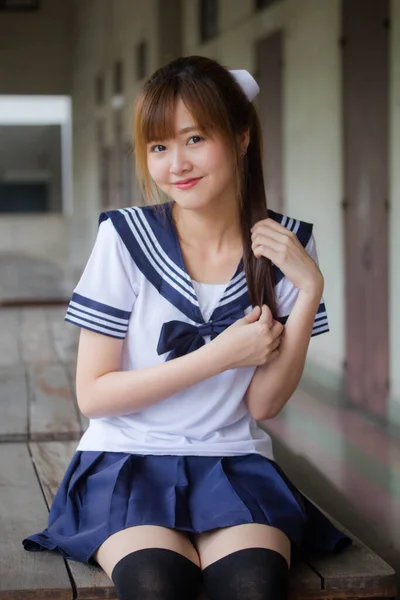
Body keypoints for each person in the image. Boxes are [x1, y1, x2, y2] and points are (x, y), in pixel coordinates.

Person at [23, 55, 351, 600]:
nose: (177, 163)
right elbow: (94, 395)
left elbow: (264, 405)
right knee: (156, 584)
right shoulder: (126, 239)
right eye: (159, 146)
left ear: (242, 137)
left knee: (253, 584)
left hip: (232, 462)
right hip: (126, 461)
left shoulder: (286, 248)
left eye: (195, 138)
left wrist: (311, 288)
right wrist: (220, 354)